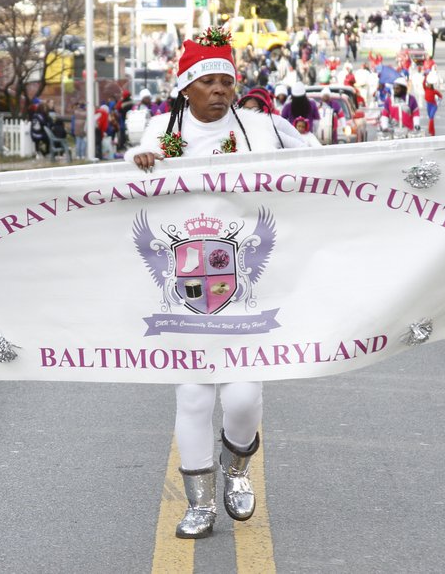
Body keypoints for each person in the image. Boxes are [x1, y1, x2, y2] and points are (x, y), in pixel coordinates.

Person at [125, 27, 304, 540]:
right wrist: (137, 163)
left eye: (227, 80)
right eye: (209, 81)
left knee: (243, 398)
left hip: (247, 285)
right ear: (186, 88)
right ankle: (199, 505)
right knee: (195, 397)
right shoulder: (161, 129)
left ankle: (238, 468)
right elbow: (129, 179)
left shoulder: (263, 126)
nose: (221, 90)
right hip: (187, 290)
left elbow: (316, 159)